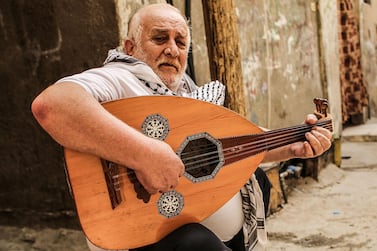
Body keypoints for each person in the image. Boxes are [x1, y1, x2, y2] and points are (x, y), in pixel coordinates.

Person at [31, 3, 333, 251]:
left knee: (252, 175)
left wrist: (294, 145)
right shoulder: (119, 77)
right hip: (148, 236)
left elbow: (234, 148)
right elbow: (52, 106)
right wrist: (144, 154)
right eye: (160, 39)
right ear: (130, 46)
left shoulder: (186, 91)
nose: (172, 50)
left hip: (201, 228)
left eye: (181, 42)